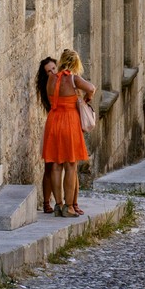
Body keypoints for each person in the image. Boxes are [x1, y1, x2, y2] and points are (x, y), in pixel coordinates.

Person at [41, 48, 95, 217]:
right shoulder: (73, 78)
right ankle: (69, 206)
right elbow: (91, 88)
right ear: (75, 63)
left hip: (53, 120)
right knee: (70, 165)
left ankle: (58, 205)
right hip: (68, 121)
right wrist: (87, 99)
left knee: (56, 165)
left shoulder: (51, 78)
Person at [35, 56, 60, 214]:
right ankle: (46, 202)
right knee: (49, 165)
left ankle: (61, 201)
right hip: (53, 125)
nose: (52, 72)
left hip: (62, 124)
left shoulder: (62, 80)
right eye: (48, 71)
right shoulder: (49, 85)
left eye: (53, 68)